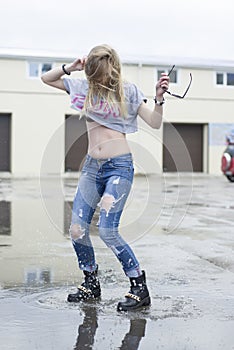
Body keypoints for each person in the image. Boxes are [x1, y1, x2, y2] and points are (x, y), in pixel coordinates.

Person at [41, 44, 169, 311]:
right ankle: (90, 283)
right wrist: (71, 67)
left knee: (108, 231)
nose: (100, 79)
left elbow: (155, 122)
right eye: (95, 74)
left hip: (118, 168)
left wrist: (158, 98)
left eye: (104, 73)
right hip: (91, 168)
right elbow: (47, 78)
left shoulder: (128, 91)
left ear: (113, 68)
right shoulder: (83, 88)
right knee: (77, 230)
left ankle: (138, 287)